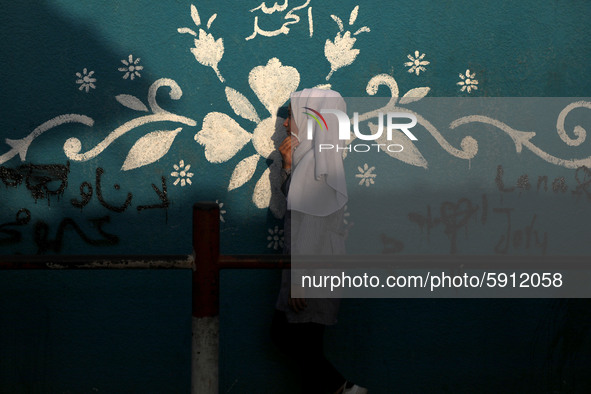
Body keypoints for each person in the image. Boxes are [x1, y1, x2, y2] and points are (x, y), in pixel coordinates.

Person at [270, 88, 368, 394]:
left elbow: (310, 222)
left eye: (291, 115)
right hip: (316, 269)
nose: (286, 124)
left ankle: (346, 388)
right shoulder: (318, 161)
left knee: (288, 338)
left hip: (310, 274)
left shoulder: (315, 165)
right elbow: (299, 208)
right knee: (302, 345)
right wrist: (287, 167)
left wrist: (300, 280)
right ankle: (342, 388)